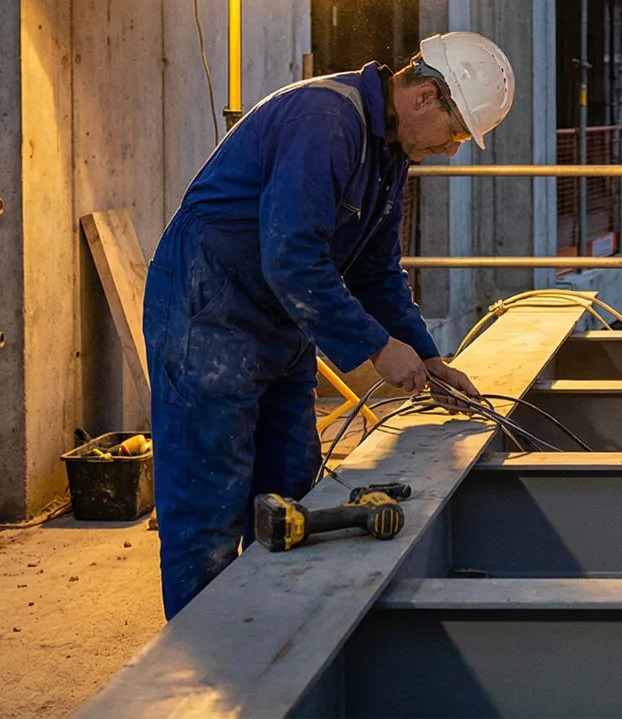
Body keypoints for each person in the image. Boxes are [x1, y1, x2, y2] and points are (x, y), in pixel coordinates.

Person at [142, 31, 515, 618]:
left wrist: (427, 354)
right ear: (423, 97)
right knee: (208, 508)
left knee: (291, 493)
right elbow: (291, 255)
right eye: (458, 132)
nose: (453, 150)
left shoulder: (387, 152)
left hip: (276, 319)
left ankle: (275, 643)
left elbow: (375, 269)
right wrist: (376, 348)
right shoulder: (326, 121)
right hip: (207, 311)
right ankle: (202, 669)